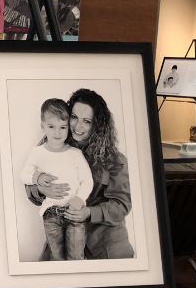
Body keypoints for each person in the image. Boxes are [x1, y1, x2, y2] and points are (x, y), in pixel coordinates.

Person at [26, 88, 134, 259]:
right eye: (74, 118)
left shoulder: (115, 160)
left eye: (87, 121)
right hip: (61, 233)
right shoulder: (53, 143)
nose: (78, 126)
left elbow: (122, 205)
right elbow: (29, 180)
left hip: (104, 242)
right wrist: (42, 188)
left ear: (98, 125)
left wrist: (89, 212)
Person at [20, 99, 93, 260]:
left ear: (68, 127)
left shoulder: (75, 154)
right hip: (51, 215)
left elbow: (87, 181)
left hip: (74, 213)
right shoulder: (37, 152)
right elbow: (24, 174)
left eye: (62, 127)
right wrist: (37, 177)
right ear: (43, 126)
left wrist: (79, 199)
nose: (57, 133)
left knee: (76, 257)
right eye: (51, 127)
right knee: (56, 257)